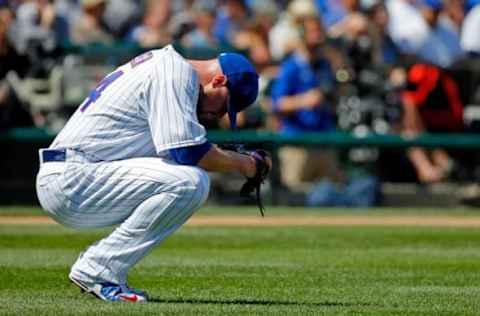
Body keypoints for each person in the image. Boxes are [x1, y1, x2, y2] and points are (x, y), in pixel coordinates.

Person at [35, 45, 269, 302]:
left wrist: (226, 156)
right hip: (74, 177)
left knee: (187, 176)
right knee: (191, 182)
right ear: (219, 80)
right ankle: (98, 269)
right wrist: (248, 165)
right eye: (226, 105)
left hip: (80, 172)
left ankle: (99, 269)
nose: (221, 114)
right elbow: (188, 153)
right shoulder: (175, 71)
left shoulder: (166, 65)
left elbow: (180, 151)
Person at [271, 16, 341, 188]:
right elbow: (277, 104)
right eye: (313, 31)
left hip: (324, 140)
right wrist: (303, 101)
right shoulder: (291, 66)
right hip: (297, 143)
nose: (318, 36)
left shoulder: (325, 64)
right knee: (296, 195)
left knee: (333, 194)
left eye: (319, 31)